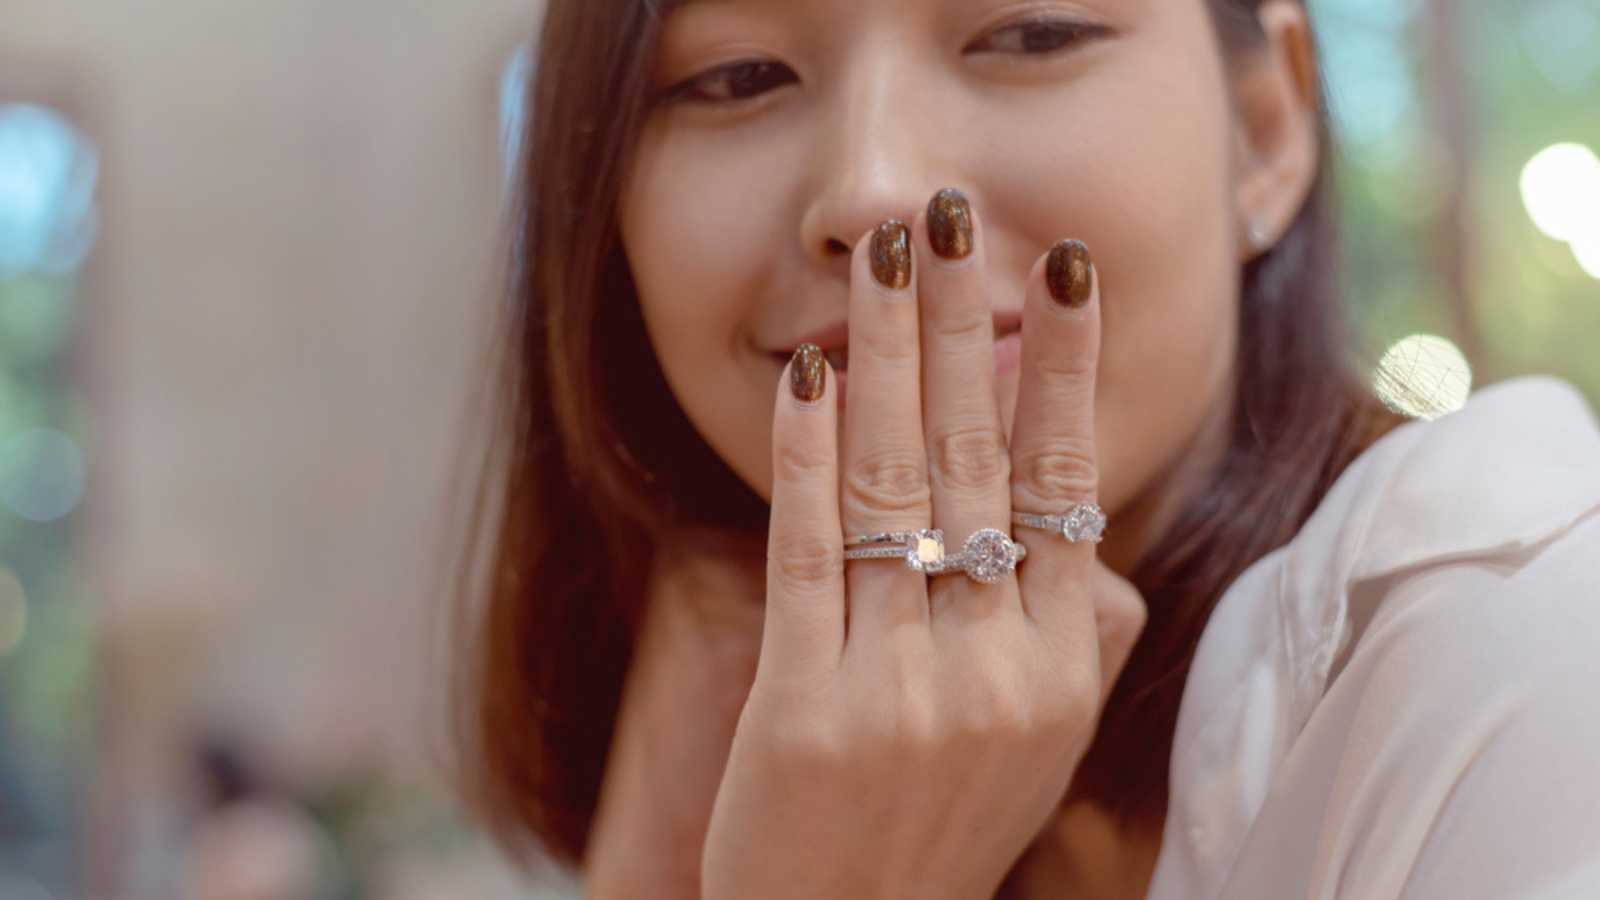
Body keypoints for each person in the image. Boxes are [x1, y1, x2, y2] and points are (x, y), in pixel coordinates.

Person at [451, 0, 1600, 896]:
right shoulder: (704, 696)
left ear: (1264, 127)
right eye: (736, 77)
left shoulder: (1525, 631)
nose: (874, 189)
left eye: (1031, 33)